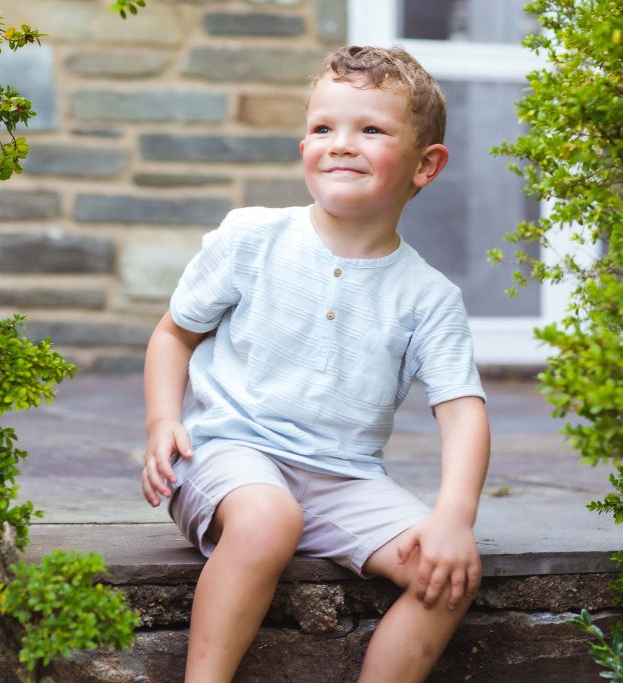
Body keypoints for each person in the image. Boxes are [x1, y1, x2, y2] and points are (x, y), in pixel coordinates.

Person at [140, 45, 491, 682]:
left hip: (345, 480)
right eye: (323, 128)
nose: (341, 144)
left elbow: (462, 411)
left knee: (447, 576)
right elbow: (173, 334)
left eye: (372, 130)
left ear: (426, 165)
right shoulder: (252, 239)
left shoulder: (429, 296)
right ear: (303, 145)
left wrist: (452, 519)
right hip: (229, 456)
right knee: (271, 518)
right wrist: (164, 420)